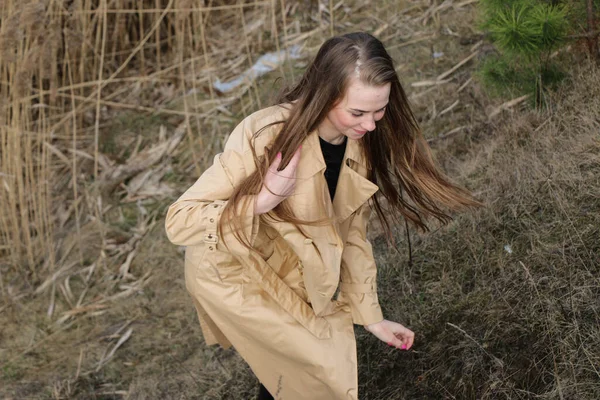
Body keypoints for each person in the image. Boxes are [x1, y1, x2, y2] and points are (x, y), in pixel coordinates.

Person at [165, 32, 480, 400]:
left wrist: (371, 316)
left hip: (287, 267)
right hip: (233, 269)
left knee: (298, 369)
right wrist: (263, 199)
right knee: (317, 365)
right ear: (326, 95)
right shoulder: (266, 133)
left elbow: (351, 236)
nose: (371, 125)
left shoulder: (357, 145)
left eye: (380, 110)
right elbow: (180, 220)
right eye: (358, 112)